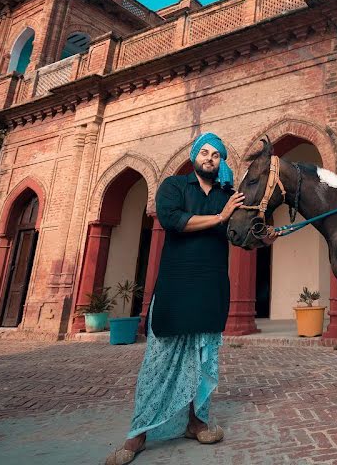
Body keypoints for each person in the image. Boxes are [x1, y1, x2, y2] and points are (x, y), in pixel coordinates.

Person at [105, 132, 244, 465]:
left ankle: (196, 423)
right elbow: (173, 220)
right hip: (176, 284)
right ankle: (139, 433)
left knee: (204, 358)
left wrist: (263, 234)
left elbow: (238, 232)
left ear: (220, 161)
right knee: (159, 360)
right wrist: (221, 217)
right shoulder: (174, 187)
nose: (210, 158)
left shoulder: (227, 194)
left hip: (211, 286)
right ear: (195, 156)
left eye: (216, 155)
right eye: (205, 153)